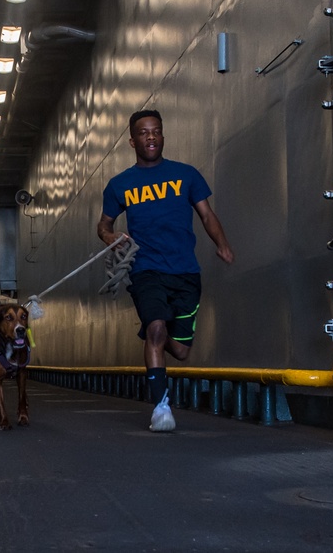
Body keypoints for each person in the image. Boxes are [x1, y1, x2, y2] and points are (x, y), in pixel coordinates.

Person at [97, 109, 233, 432]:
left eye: (156, 131)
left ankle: (151, 329)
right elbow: (103, 226)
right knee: (157, 328)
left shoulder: (186, 175)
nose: (151, 137)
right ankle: (161, 409)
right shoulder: (120, 185)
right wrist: (111, 237)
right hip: (146, 269)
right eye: (144, 133)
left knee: (182, 350)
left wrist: (222, 244)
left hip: (185, 271)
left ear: (163, 135)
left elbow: (207, 215)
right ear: (132, 141)